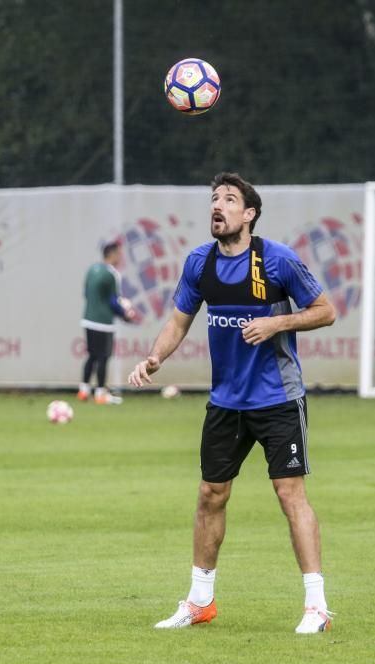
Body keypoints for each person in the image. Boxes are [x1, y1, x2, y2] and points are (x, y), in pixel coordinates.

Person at [128, 172, 337, 633]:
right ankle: (200, 601)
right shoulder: (199, 264)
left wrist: (276, 325)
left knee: (290, 495)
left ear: (249, 214)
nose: (217, 206)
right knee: (210, 494)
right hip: (226, 402)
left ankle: (316, 606)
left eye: (228, 199)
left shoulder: (277, 261)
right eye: (213, 199)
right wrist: (155, 357)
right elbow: (179, 321)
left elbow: (326, 311)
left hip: (278, 399)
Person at [78, 241, 134, 405]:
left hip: (88, 319)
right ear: (112, 254)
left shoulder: (91, 270)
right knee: (103, 357)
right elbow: (113, 301)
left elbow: (86, 293)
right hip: (103, 323)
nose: (120, 256)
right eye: (118, 253)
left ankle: (83, 391)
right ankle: (101, 394)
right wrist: (125, 314)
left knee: (92, 356)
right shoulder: (112, 274)